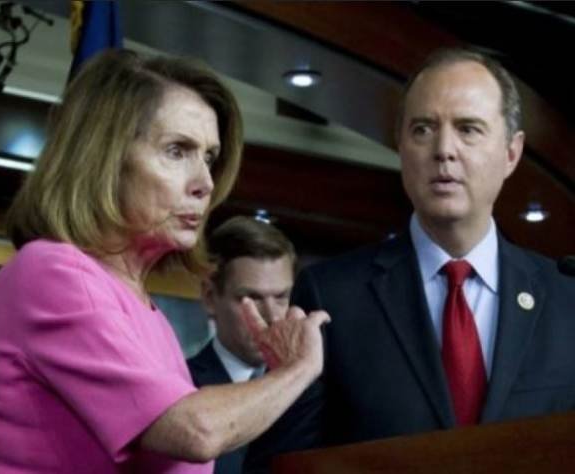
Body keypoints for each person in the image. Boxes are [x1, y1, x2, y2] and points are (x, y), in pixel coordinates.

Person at [0, 49, 329, 473]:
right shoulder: (49, 273)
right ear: (104, 159)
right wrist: (297, 369)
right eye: (177, 150)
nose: (205, 183)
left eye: (209, 157)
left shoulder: (143, 307)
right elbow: (196, 432)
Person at [245, 47, 575, 470]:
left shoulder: (565, 300)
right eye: (423, 129)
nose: (444, 150)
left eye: (468, 129)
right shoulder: (332, 296)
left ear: (512, 153)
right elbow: (281, 466)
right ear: (400, 145)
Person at [188, 215, 295, 474]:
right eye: (251, 298)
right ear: (210, 297)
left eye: (281, 297)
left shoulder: (312, 392)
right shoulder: (180, 388)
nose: (272, 317)